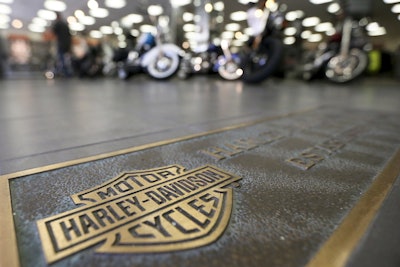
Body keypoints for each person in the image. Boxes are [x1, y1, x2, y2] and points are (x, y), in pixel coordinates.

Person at [52, 12, 72, 77]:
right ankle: (68, 72)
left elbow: (54, 31)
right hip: (67, 44)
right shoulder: (65, 24)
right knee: (66, 59)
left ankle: (65, 72)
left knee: (61, 59)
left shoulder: (58, 23)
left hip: (61, 44)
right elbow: (69, 35)